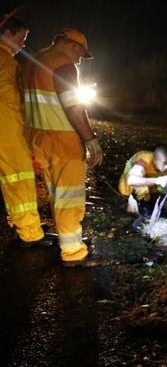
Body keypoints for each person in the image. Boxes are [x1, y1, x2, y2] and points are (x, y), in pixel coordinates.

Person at [22, 28, 104, 267]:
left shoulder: (33, 61)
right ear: (73, 46)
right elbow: (73, 107)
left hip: (39, 139)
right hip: (64, 142)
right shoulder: (64, 64)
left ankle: (68, 240)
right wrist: (90, 139)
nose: (79, 60)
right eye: (81, 54)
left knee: (56, 194)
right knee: (70, 197)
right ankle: (73, 252)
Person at [0, 14, 52, 247]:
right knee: (19, 179)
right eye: (21, 39)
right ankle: (30, 235)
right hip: (7, 131)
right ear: (8, 34)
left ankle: (20, 225)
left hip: (8, 128)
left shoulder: (7, 61)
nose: (23, 45)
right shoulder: (6, 62)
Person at [118, 146, 167, 227]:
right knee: (143, 190)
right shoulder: (143, 159)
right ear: (155, 160)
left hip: (150, 189)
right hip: (129, 187)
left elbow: (165, 194)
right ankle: (133, 205)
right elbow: (131, 180)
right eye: (164, 163)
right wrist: (157, 180)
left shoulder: (165, 171)